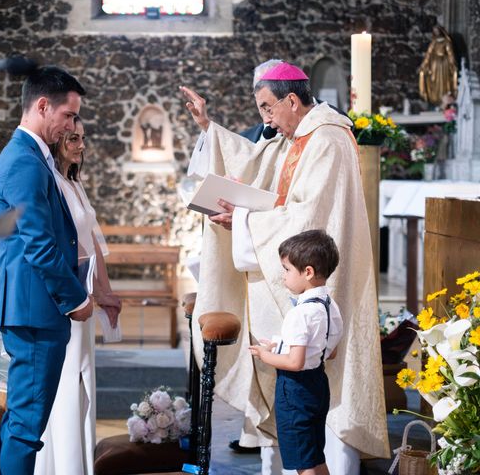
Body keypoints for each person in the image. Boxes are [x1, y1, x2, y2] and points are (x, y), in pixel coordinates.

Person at [180, 61, 389, 474]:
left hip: (318, 284)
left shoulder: (327, 138)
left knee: (317, 408)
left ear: (292, 100)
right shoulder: (296, 136)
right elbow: (254, 163)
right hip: (293, 289)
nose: (266, 120)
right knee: (289, 412)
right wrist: (209, 128)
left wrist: (241, 220)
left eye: (267, 108)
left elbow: (309, 215)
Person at [0, 66, 93, 475]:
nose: (72, 125)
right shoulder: (25, 163)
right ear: (43, 105)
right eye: (68, 115)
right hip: (35, 311)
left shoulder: (31, 156)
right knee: (26, 428)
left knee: (23, 422)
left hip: (33, 308)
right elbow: (40, 245)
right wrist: (76, 299)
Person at [33, 117, 121, 475]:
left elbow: (92, 245)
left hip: (83, 294)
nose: (81, 146)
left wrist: (105, 291)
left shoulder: (73, 183)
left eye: (82, 138)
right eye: (72, 139)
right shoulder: (50, 183)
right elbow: (51, 247)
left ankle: (80, 465)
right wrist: (83, 292)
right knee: (66, 386)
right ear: (57, 141)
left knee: (83, 383)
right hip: (64, 300)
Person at [249, 229, 343, 475]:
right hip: (318, 386)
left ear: (308, 272)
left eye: (287, 269)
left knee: (303, 462)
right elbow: (328, 352)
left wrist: (263, 354)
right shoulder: (331, 306)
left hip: (295, 391)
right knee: (314, 455)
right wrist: (278, 345)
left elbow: (294, 362)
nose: (283, 276)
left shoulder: (300, 313)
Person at [419, 25, 458, 106]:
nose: (436, 32)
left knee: (444, 82)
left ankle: (444, 100)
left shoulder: (446, 42)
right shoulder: (434, 42)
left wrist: (453, 64)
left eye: (437, 31)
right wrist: (424, 64)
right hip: (434, 64)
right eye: (435, 31)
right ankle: (434, 98)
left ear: (441, 31)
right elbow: (428, 54)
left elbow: (450, 54)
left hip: (444, 64)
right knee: (433, 80)